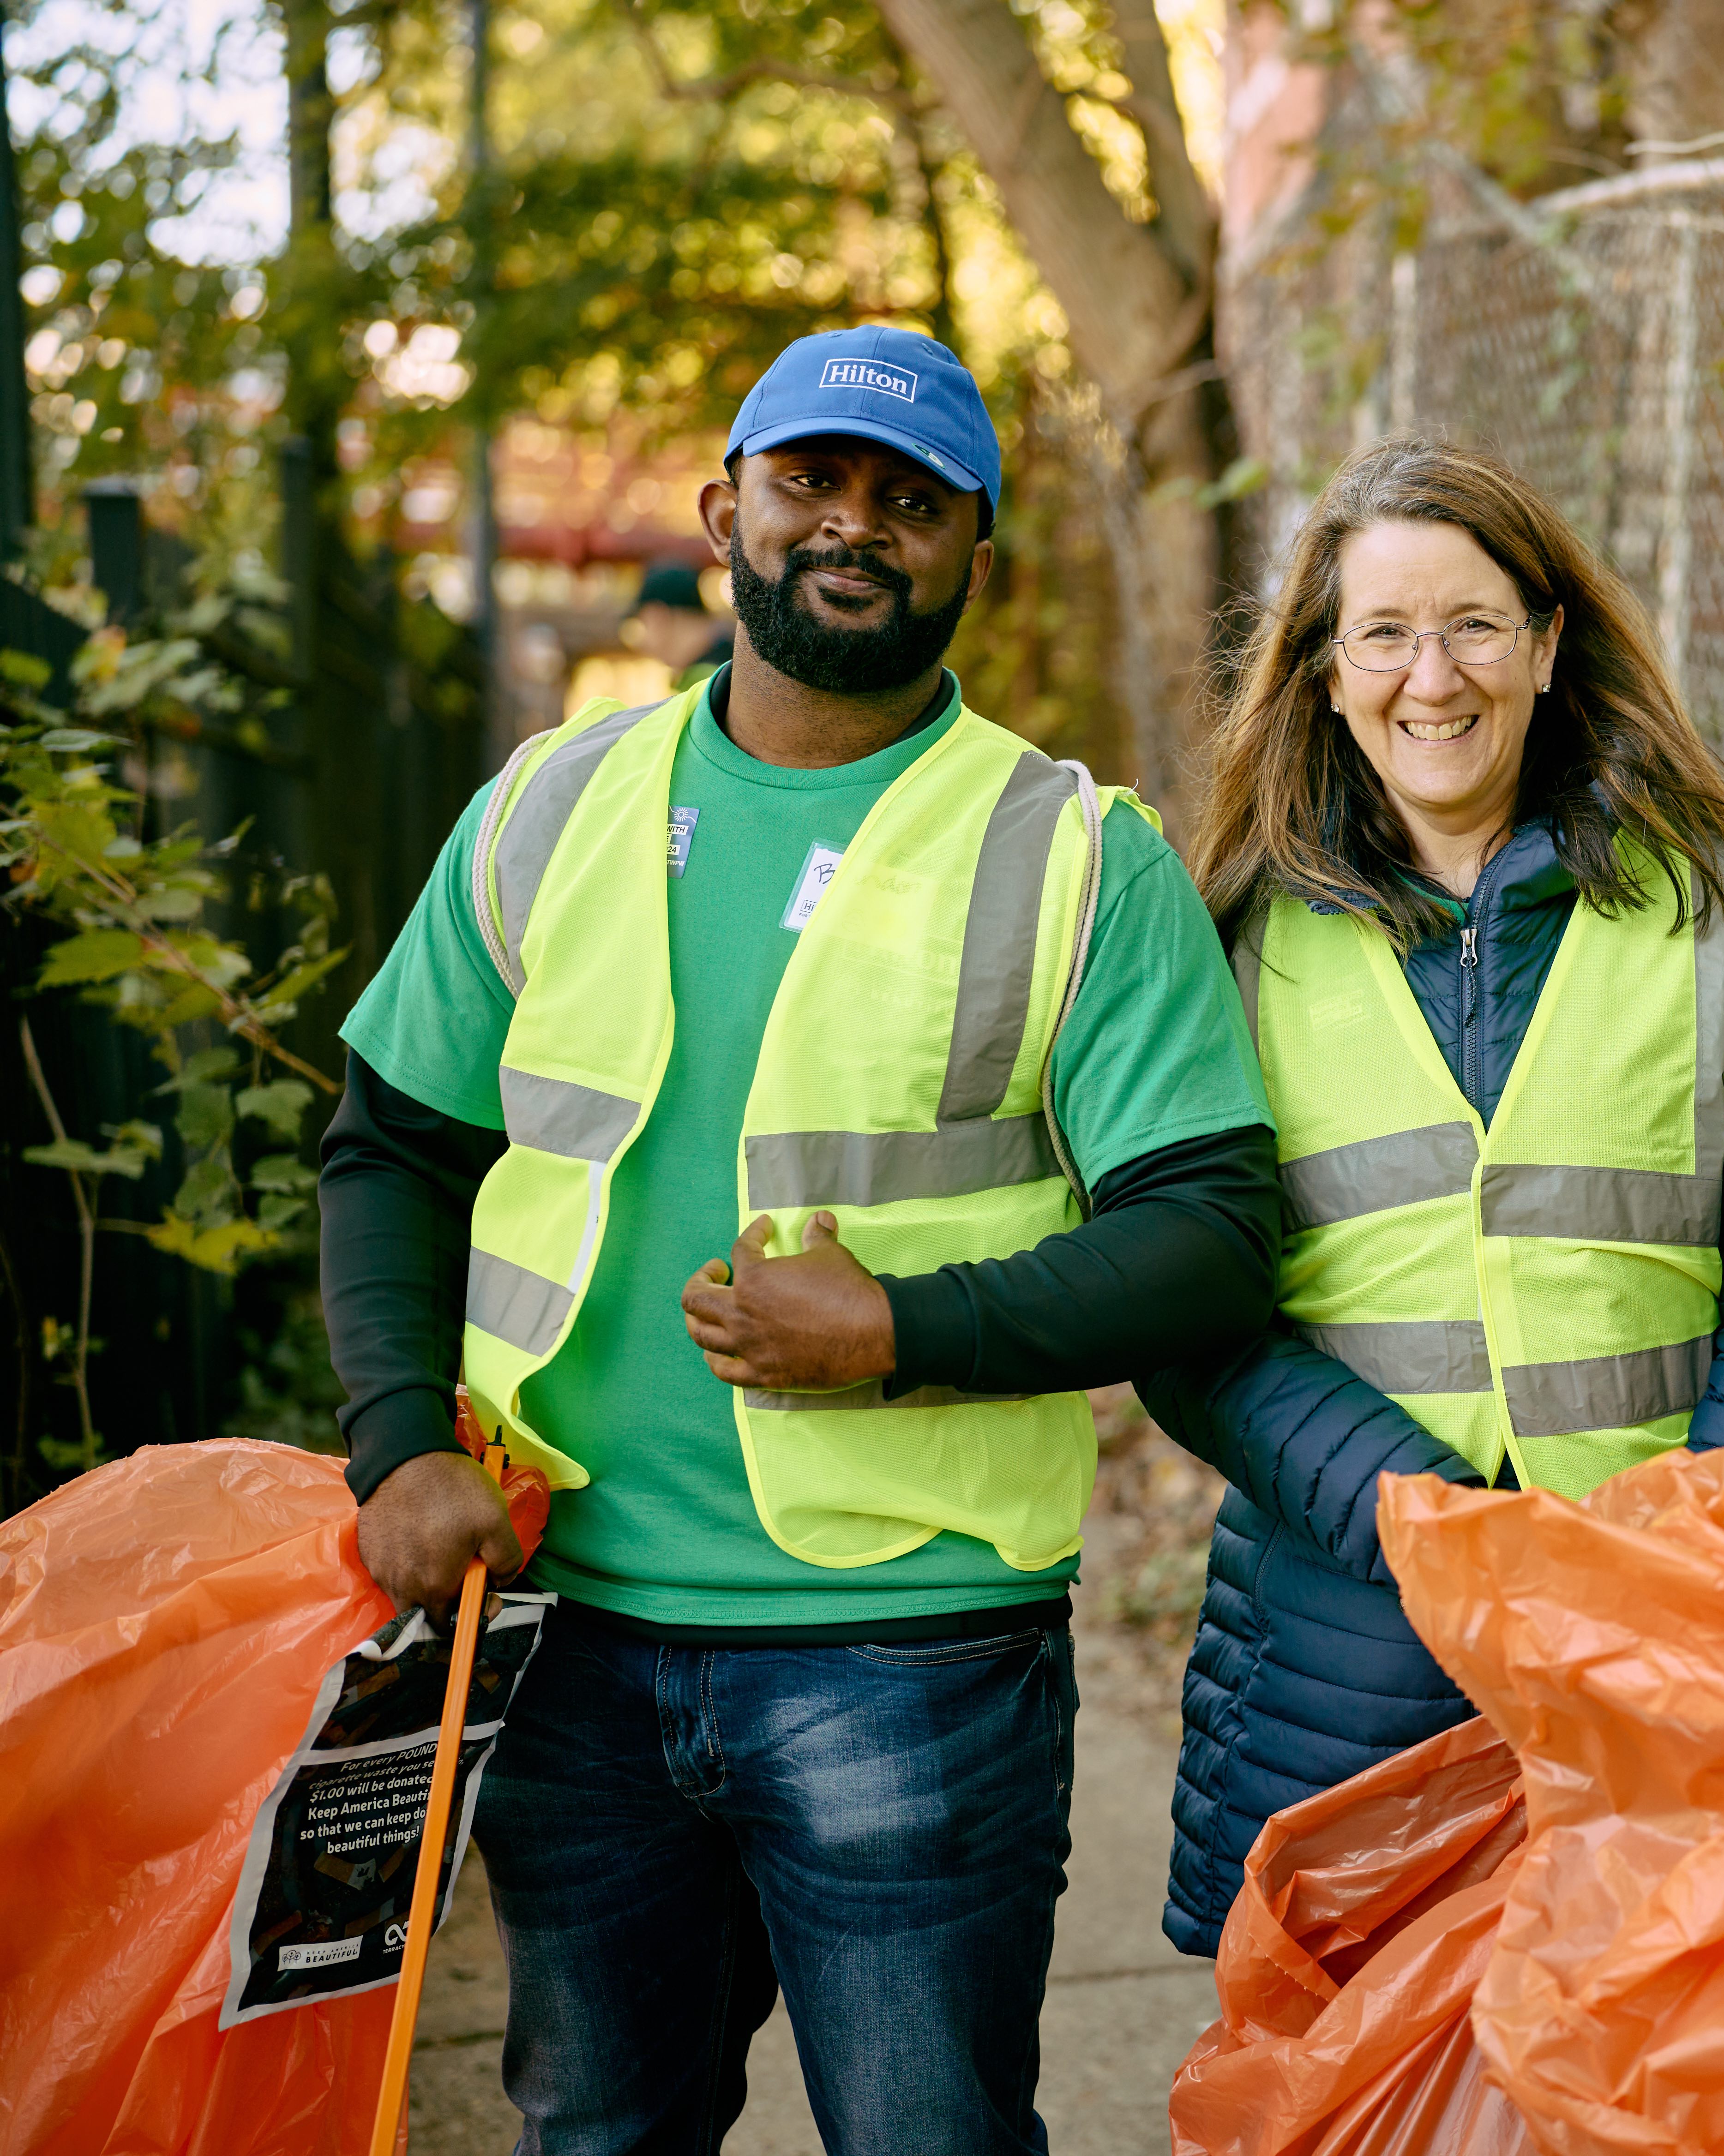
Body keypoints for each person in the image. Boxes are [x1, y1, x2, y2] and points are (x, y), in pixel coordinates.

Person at [316, 324, 1280, 2153]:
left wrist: (903, 1325)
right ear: (721, 513)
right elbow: (391, 1148)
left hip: (912, 1656)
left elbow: (1212, 1237)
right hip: (567, 1633)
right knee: (599, 2132)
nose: (858, 524)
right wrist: (398, 1439)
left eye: (913, 500)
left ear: (974, 555)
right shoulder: (544, 811)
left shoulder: (1074, 853)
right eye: (814, 481)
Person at [1138, 436, 1724, 1954]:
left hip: (1654, 1627)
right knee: (1341, 2087)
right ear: (1325, 672)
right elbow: (1185, 1302)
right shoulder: (1225, 944)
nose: (1427, 675)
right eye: (1380, 632)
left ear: (1543, 645)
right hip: (1344, 1637)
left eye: (1468, 625)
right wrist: (1409, 1514)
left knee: (1640, 2074)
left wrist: (1672, 1532)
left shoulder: (1718, 913)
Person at [626, 557, 735, 692]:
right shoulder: (731, 661)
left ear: (659, 617)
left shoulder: (707, 683)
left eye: (642, 623)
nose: (640, 642)